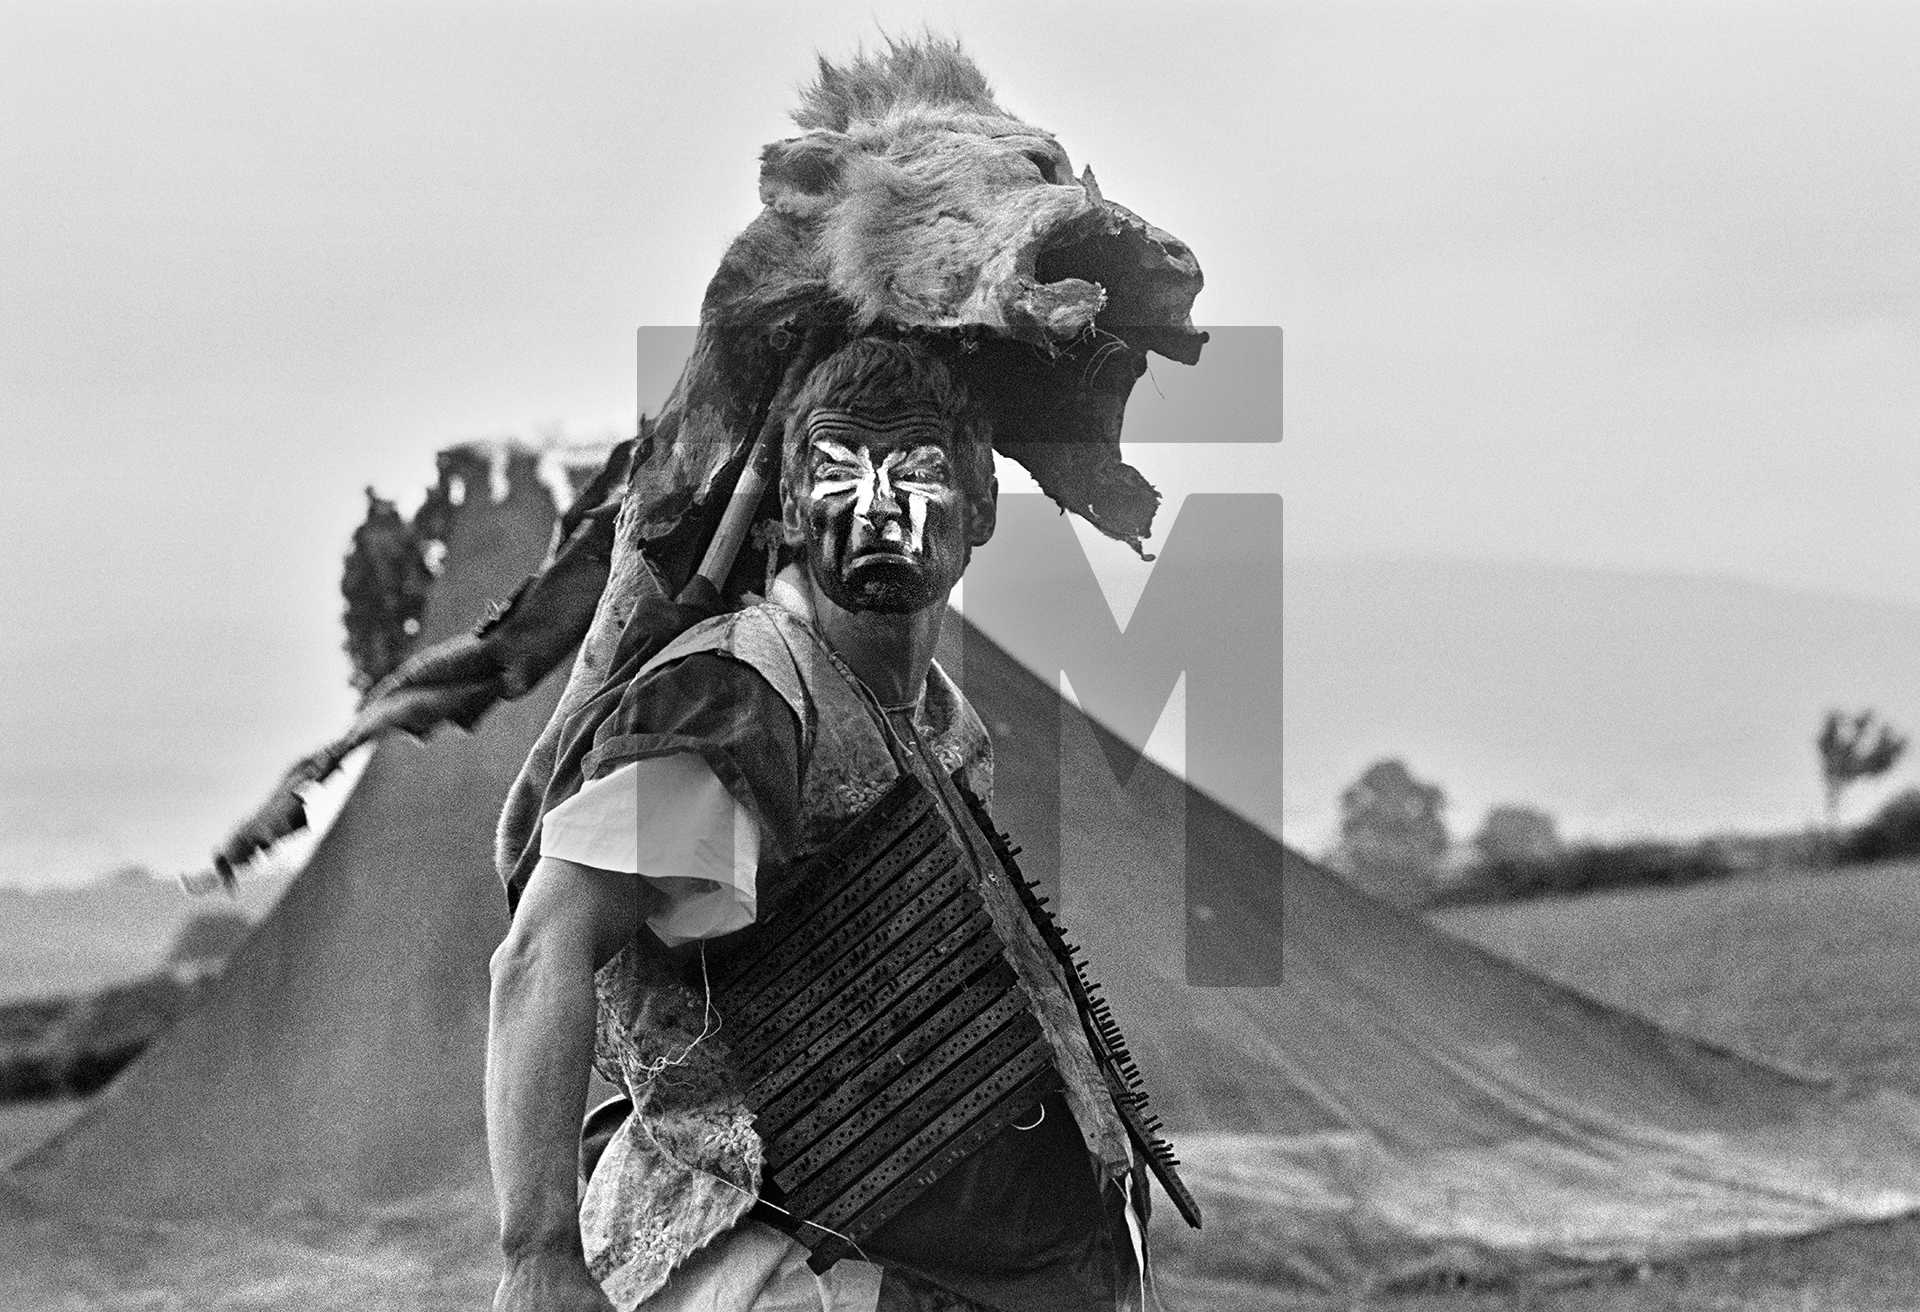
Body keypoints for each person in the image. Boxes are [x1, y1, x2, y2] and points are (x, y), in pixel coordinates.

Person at [486, 337, 1153, 1312]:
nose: (879, 505)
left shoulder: (936, 720)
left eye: (916, 471)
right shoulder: (734, 698)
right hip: (790, 1273)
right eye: (840, 470)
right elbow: (542, 949)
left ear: (982, 509)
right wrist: (538, 1252)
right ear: (792, 511)